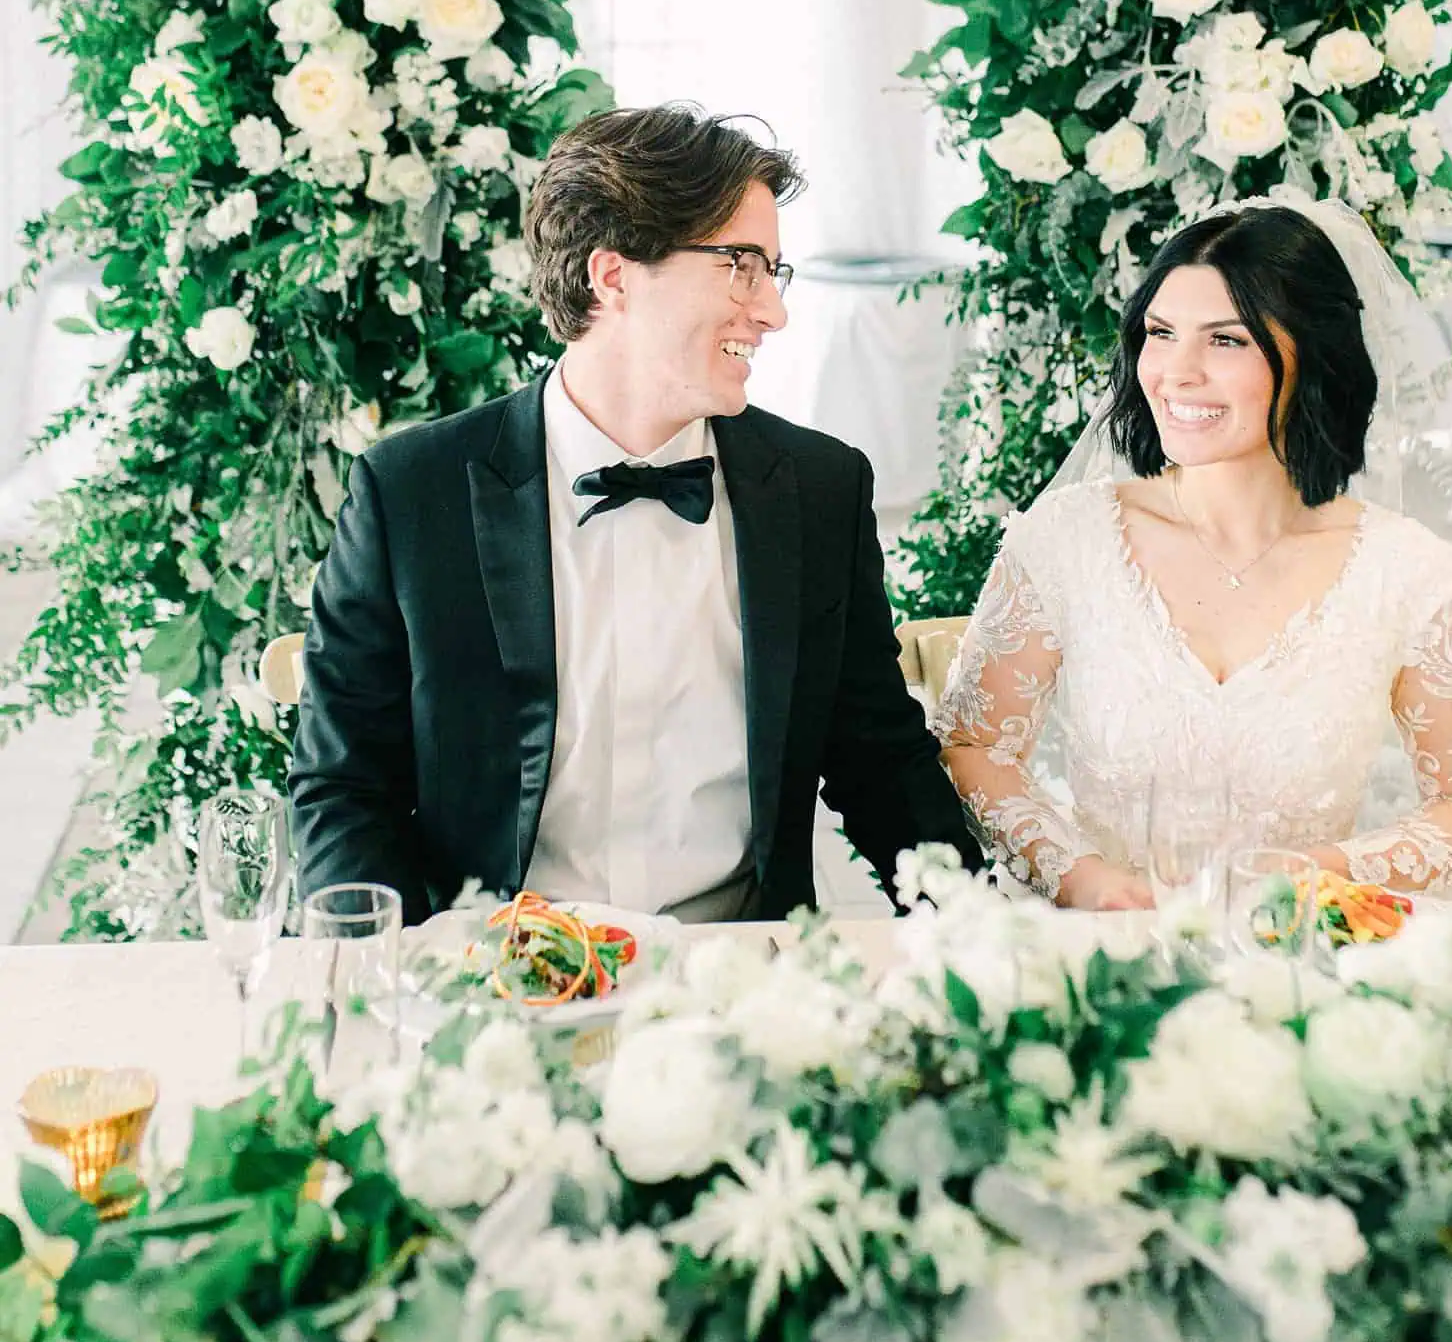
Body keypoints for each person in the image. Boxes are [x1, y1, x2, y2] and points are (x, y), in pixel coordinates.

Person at [289, 103, 979, 925]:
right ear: (611, 276)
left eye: (772, 273)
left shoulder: (818, 489)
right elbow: (345, 790)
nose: (772, 311)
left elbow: (881, 766)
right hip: (491, 987)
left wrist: (985, 943)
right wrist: (396, 980)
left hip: (744, 983)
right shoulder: (409, 494)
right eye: (741, 266)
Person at [936, 197, 1452, 911]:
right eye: (1160, 333)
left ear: (1310, 353)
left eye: (1226, 340)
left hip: (1310, 958)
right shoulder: (1067, 541)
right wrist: (1081, 876)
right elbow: (974, 747)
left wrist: (1319, 874)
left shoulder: (1410, 573)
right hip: (1106, 953)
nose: (1177, 372)